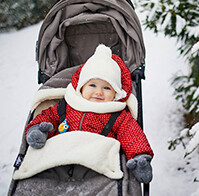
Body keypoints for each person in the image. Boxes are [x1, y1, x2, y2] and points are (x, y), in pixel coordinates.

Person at [24, 44, 154, 184]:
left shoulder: (117, 115)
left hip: (97, 165)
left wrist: (140, 156)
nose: (98, 92)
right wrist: (37, 129)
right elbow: (48, 116)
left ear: (116, 93)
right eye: (92, 85)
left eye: (106, 88)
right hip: (59, 158)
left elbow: (132, 134)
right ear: (81, 87)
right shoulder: (67, 105)